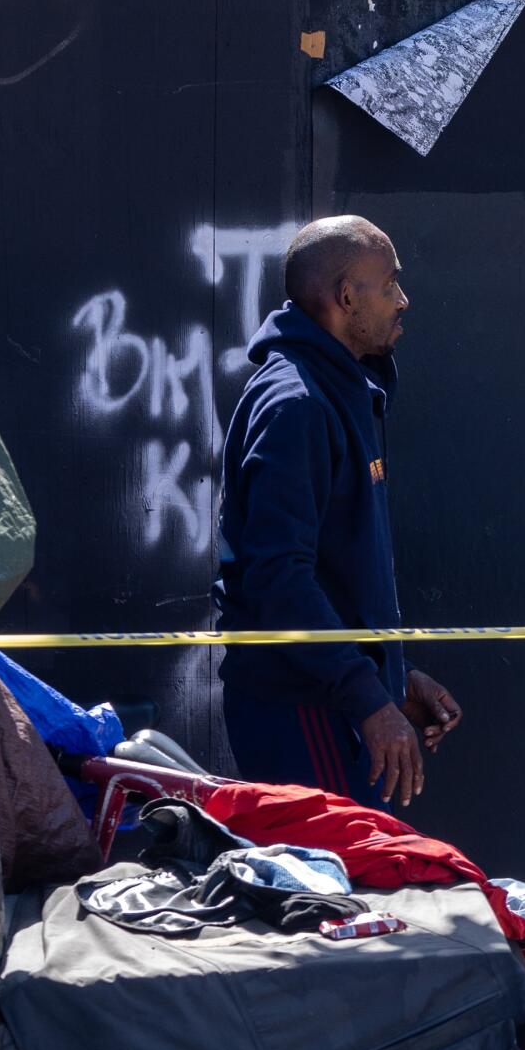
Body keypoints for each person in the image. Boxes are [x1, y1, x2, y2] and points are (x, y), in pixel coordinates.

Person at [215, 216, 460, 810]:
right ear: (346, 297)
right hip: (303, 712)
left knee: (355, 887)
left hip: (331, 701)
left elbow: (335, 570)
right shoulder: (296, 405)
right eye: (390, 284)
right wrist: (368, 699)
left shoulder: (339, 389)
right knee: (331, 892)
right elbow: (278, 578)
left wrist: (391, 678)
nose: (404, 300)